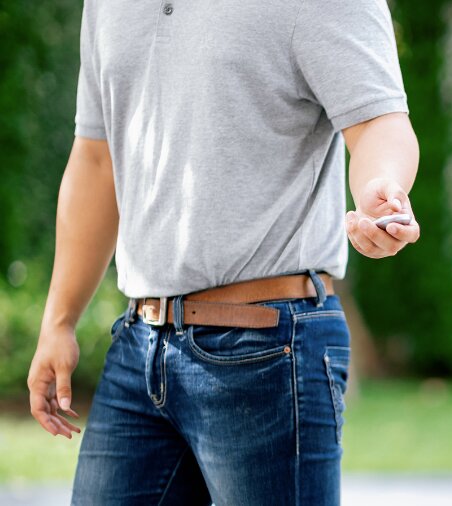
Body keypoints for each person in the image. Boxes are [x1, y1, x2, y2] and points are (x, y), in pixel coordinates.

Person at [26, 1, 419, 504]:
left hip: (268, 348)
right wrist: (58, 321)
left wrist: (381, 190)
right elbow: (96, 157)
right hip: (139, 343)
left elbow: (379, 121)